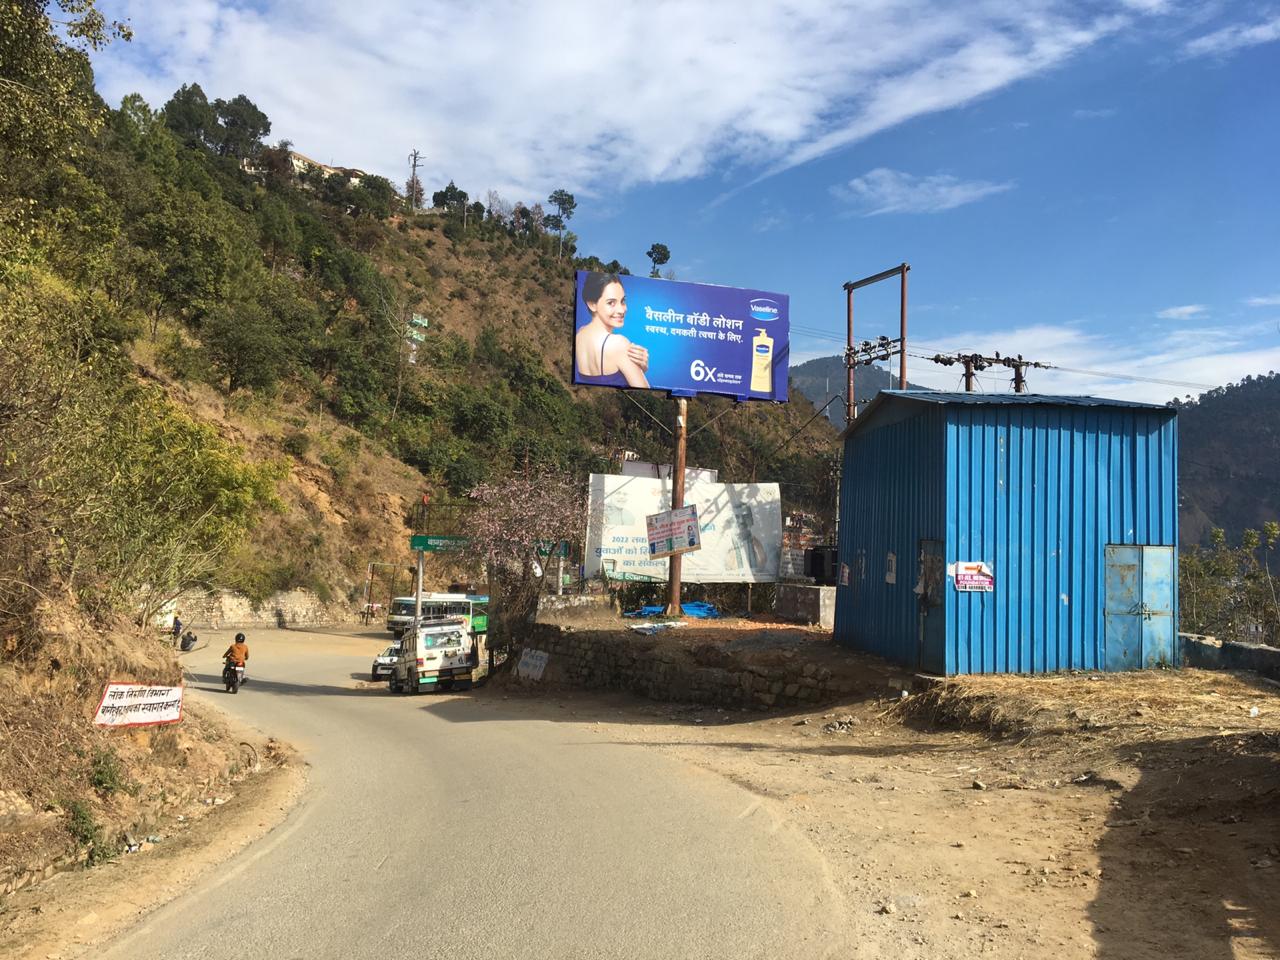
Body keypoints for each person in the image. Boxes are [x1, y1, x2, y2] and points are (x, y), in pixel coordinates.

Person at [574, 273, 650, 388]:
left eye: (623, 301)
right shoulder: (619, 344)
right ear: (592, 304)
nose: (622, 310)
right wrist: (640, 371)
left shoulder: (579, 333)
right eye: (611, 303)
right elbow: (644, 391)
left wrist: (639, 369)